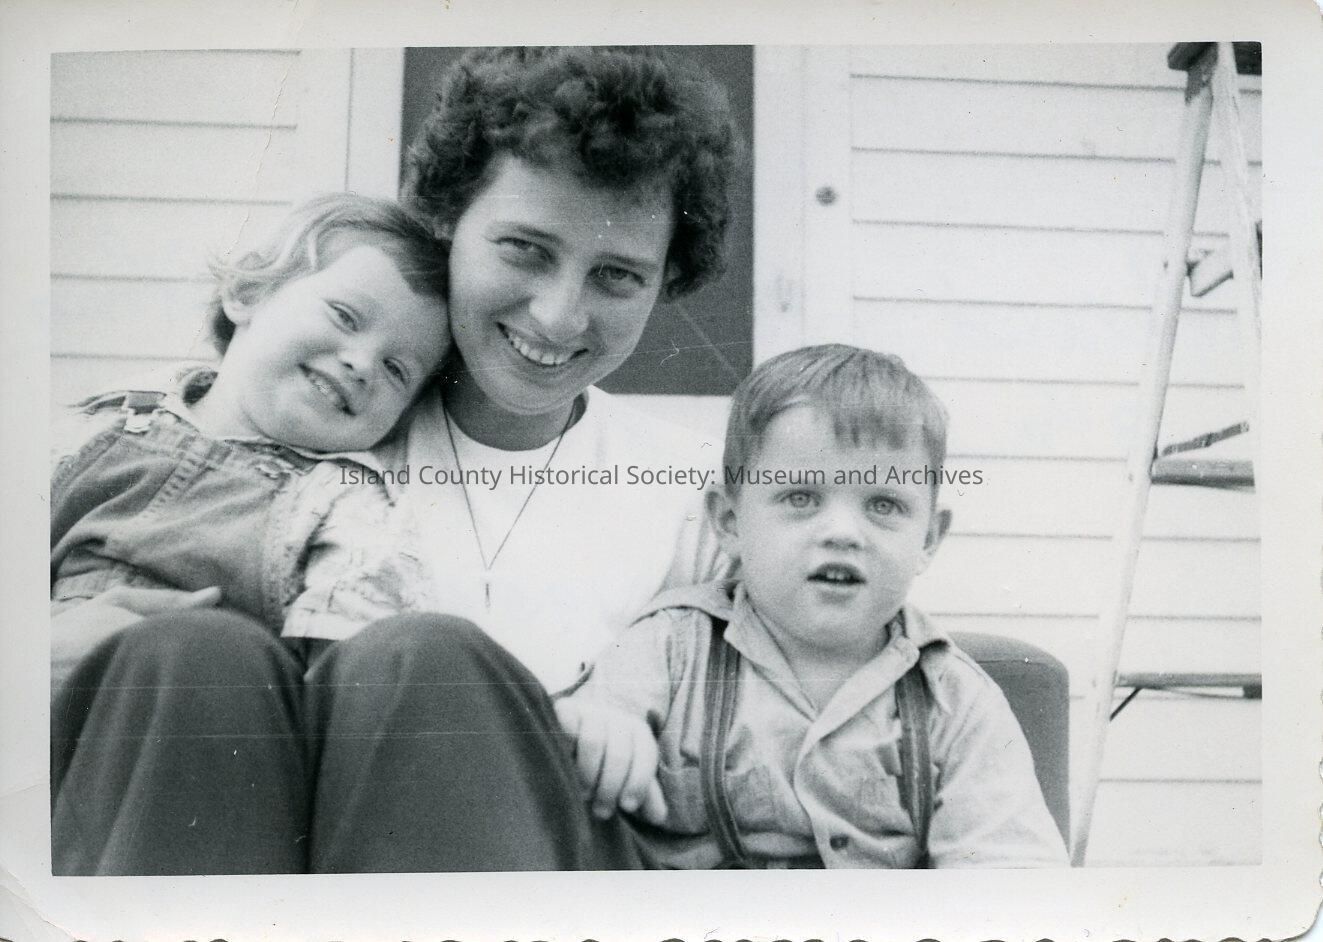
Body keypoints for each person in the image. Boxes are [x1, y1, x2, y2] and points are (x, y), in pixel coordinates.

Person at [51, 45, 741, 874]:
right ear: (446, 225)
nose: (559, 317)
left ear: (665, 282)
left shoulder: (695, 498)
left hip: (554, 887)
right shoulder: (286, 427)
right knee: (191, 656)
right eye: (524, 248)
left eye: (618, 276)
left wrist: (629, 710)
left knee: (421, 661)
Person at [556, 345, 1069, 868]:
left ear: (929, 539)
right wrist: (601, 732)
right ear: (729, 521)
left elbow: (1010, 869)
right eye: (800, 498)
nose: (843, 533)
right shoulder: (668, 648)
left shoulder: (956, 700)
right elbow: (576, 733)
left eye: (884, 504)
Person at [50, 193, 451, 684]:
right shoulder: (102, 426)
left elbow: (353, 673)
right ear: (246, 293)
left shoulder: (345, 505)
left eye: (396, 369)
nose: (362, 363)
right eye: (345, 316)